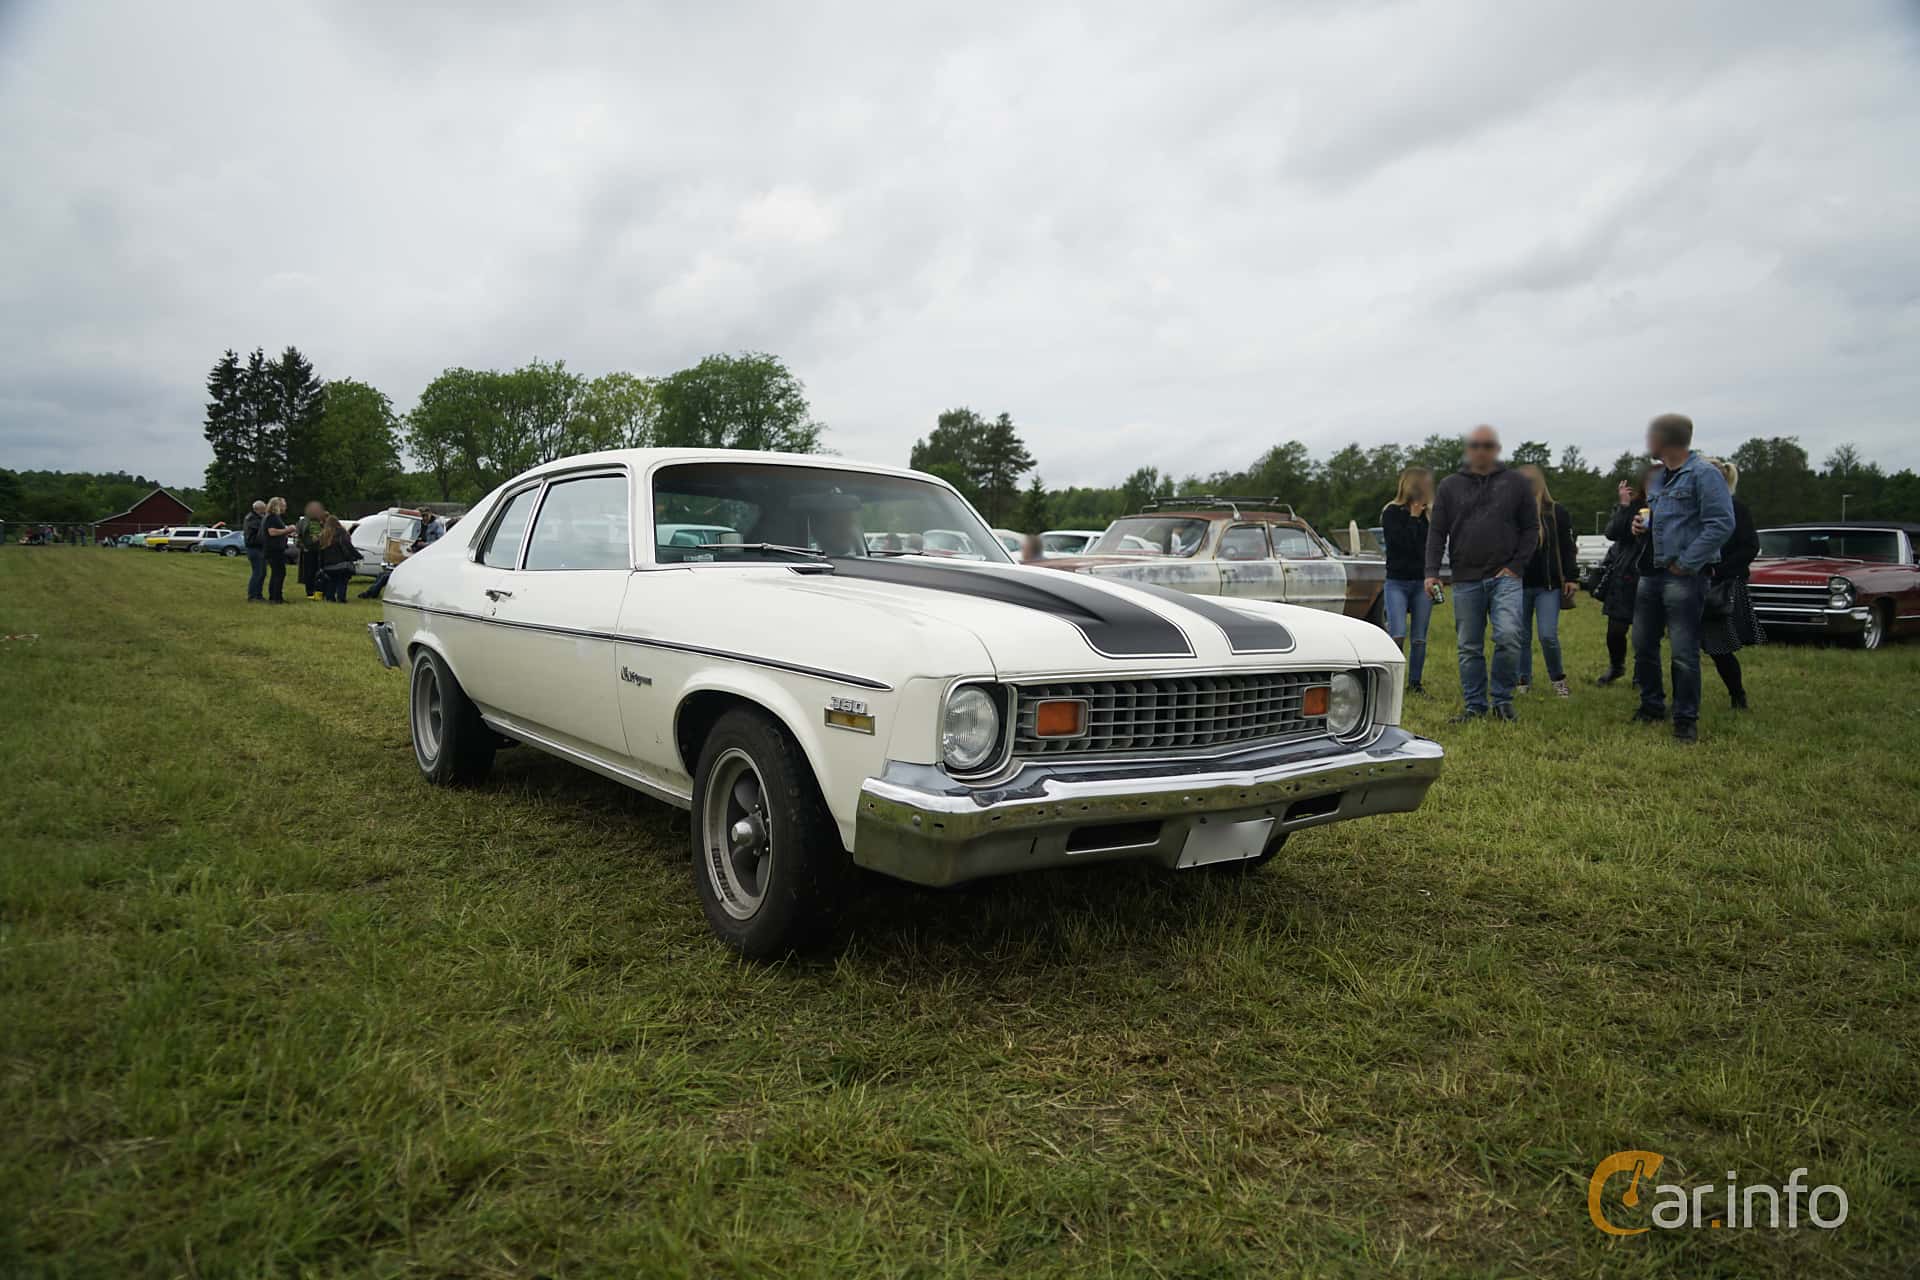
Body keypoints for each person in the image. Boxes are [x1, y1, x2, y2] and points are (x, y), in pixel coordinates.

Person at [1630, 413, 1734, 743]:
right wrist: (1639, 528)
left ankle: (1685, 718)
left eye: (1652, 436)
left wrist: (1688, 562)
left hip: (1684, 577)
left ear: (1666, 440)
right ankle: (1651, 706)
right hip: (1652, 571)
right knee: (1643, 644)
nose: (1648, 442)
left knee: (1682, 651)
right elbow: (1661, 523)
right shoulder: (1660, 478)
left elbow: (1721, 523)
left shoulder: (1703, 474)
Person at [1425, 425, 1538, 723]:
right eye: (1475, 445)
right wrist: (1431, 572)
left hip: (1506, 577)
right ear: (1468, 449)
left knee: (1510, 636)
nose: (1481, 450)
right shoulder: (1450, 486)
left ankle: (1502, 699)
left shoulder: (1515, 483)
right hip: (1465, 577)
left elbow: (1531, 529)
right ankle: (1475, 706)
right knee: (1469, 646)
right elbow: (1437, 532)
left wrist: (1516, 566)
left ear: (1496, 449)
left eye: (1487, 445)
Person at [1700, 457, 1764, 711]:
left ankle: (1738, 696)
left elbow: (1750, 547)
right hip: (1690, 584)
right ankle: (1683, 700)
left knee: (1720, 648)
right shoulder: (1692, 509)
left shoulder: (1736, 509)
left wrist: (1718, 570)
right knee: (1684, 649)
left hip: (1720, 587)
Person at [1514, 464, 1579, 698]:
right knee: (1520, 636)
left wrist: (1571, 577)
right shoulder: (1513, 513)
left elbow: (1567, 547)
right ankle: (1522, 680)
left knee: (1547, 635)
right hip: (1518, 584)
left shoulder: (1556, 512)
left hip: (1548, 585)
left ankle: (1558, 678)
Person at [1379, 466, 1434, 694]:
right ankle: (1392, 682)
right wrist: (1412, 518)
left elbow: (1428, 548)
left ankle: (1415, 683)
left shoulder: (1429, 516)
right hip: (1397, 581)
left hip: (1421, 582)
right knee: (1398, 631)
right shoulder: (1392, 512)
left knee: (1419, 637)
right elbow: (1399, 544)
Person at [1593, 472, 1651, 686]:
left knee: (1644, 633)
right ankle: (1616, 666)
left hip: (1651, 572)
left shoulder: (1667, 506)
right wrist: (1624, 506)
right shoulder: (1633, 507)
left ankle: (1641, 672)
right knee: (1615, 631)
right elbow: (1611, 532)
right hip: (1625, 574)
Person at [316, 515, 358, 602]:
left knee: (332, 581)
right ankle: (341, 598)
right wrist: (357, 556)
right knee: (342, 581)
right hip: (341, 564)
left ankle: (330, 597)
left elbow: (320, 553)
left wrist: (321, 566)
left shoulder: (323, 535)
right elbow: (348, 547)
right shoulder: (342, 533)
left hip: (328, 566)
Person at [261, 497, 293, 603]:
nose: (285, 507)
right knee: (279, 573)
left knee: (277, 573)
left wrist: (287, 532)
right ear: (277, 506)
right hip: (274, 550)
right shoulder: (272, 517)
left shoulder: (273, 517)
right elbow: (272, 532)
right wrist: (288, 529)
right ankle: (276, 597)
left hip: (274, 549)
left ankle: (274, 596)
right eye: (283, 505)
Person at [296, 500, 328, 599]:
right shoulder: (314, 522)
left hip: (306, 550)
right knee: (316, 573)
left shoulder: (302, 521)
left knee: (308, 573)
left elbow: (298, 536)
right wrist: (324, 533)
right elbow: (315, 538)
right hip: (315, 551)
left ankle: (310, 592)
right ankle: (316, 593)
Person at [242, 500, 268, 603]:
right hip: (254, 548)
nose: (265, 510)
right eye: (264, 508)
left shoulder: (255, 517)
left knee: (262, 572)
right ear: (258, 509)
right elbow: (260, 531)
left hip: (257, 548)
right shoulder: (253, 519)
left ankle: (258, 595)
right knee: (258, 572)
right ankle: (252, 596)